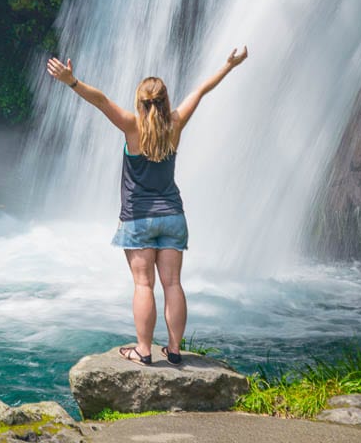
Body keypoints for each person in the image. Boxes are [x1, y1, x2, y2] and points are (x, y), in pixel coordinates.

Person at [46, 47, 248, 365]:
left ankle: (143, 350)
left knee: (143, 284)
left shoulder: (131, 125)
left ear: (140, 102)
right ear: (166, 100)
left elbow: (100, 101)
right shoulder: (176, 123)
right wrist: (228, 65)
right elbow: (201, 91)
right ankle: (175, 349)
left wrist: (72, 82)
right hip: (172, 216)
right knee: (172, 283)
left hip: (138, 219)